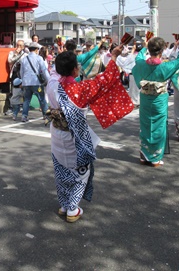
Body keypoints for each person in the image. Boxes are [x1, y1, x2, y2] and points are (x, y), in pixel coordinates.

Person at [46, 47, 130, 223]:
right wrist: (113, 56)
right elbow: (105, 78)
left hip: (56, 133)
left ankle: (64, 204)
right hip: (74, 137)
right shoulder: (81, 89)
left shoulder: (52, 85)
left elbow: (58, 74)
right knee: (80, 172)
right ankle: (72, 208)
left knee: (61, 169)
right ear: (75, 70)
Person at [132, 36, 179, 167]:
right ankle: (154, 157)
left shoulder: (142, 63)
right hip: (159, 100)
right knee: (158, 126)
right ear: (162, 51)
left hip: (145, 99)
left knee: (146, 125)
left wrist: (145, 47)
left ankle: (144, 154)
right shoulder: (165, 67)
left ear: (150, 49)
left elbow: (138, 57)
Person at [20, 42, 50, 122]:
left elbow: (21, 72)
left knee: (26, 100)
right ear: (36, 50)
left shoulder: (24, 59)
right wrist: (48, 80)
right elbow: (44, 70)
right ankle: (46, 116)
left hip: (26, 82)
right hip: (36, 82)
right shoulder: (39, 58)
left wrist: (23, 81)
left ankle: (24, 116)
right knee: (42, 99)